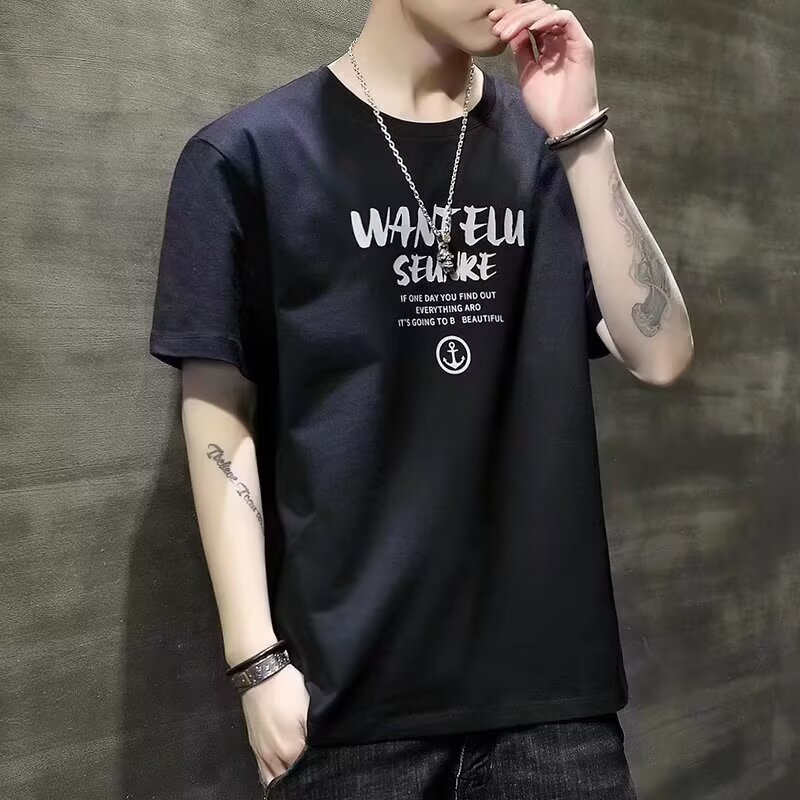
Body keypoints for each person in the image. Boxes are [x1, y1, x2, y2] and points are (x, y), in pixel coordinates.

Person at [148, 0, 694, 797]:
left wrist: (583, 137)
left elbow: (662, 353)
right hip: (350, 711)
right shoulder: (247, 156)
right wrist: (256, 661)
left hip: (553, 710)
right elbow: (217, 409)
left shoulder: (548, 152)